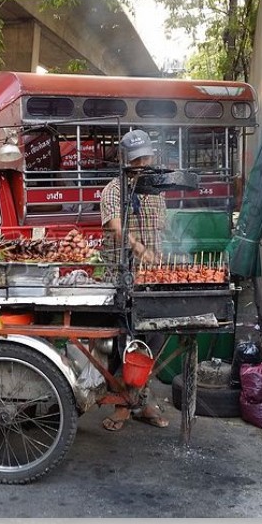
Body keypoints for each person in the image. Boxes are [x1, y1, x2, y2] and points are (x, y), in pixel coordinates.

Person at [99, 128, 169, 432]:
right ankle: (123, 403)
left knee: (155, 338)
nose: (143, 164)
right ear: (125, 160)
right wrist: (141, 251)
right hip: (121, 276)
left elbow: (164, 231)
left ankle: (139, 399)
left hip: (152, 278)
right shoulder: (114, 190)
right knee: (125, 340)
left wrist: (164, 260)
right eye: (137, 160)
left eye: (146, 158)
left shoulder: (156, 192)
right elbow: (116, 227)